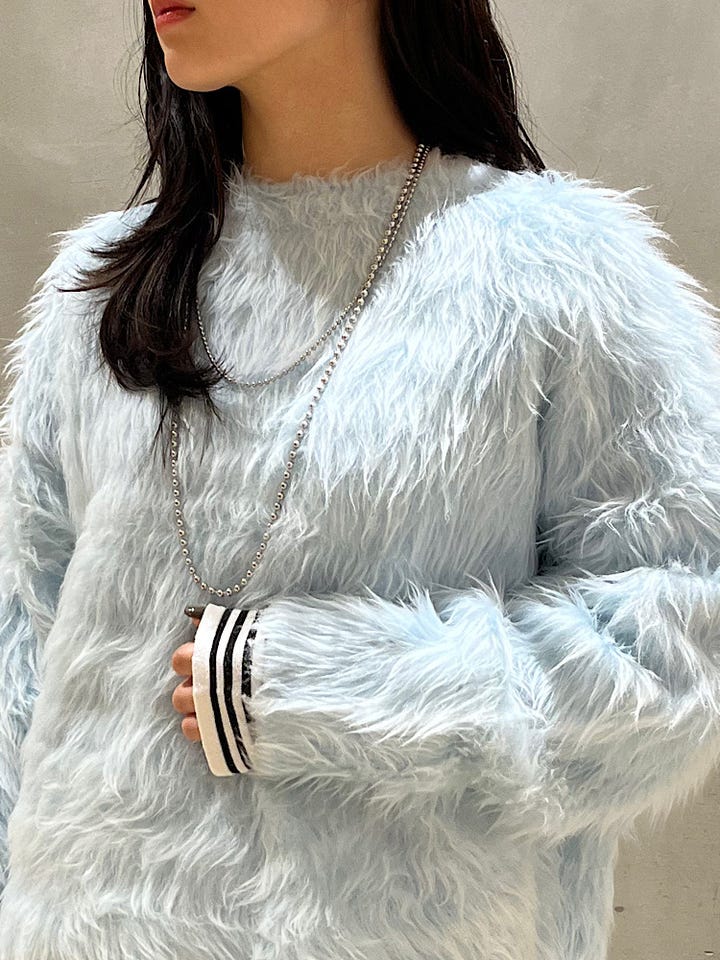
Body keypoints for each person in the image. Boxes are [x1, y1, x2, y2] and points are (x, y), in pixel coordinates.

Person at [1, 1, 719, 958]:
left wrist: (322, 681)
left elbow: (678, 646)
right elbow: (22, 648)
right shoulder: (101, 289)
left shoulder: (553, 274)